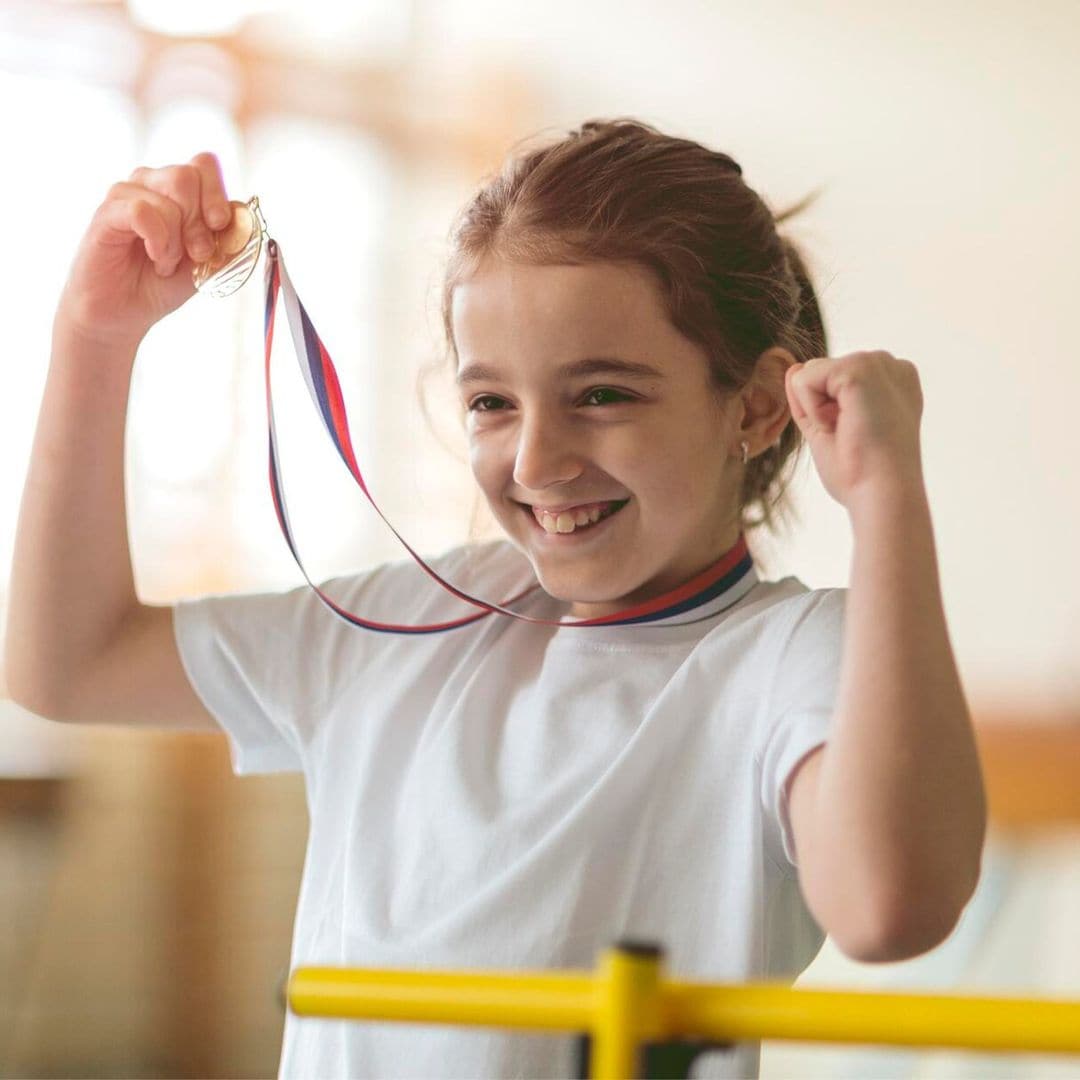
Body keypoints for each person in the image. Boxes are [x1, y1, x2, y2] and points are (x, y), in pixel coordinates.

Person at [5, 117, 987, 1079]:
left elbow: (885, 907)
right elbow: (67, 663)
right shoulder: (417, 622)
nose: (537, 460)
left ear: (758, 407)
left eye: (603, 394)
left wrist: (887, 496)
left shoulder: (791, 659)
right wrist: (95, 334)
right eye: (492, 403)